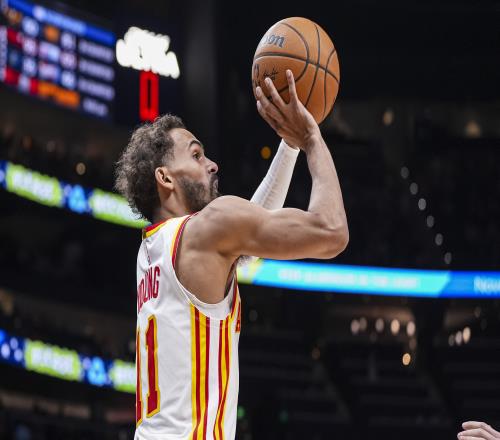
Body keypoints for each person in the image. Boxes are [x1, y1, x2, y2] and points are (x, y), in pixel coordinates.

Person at [115, 70, 348, 440]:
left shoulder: (153, 251)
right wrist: (311, 139)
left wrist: (288, 147)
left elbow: (245, 234)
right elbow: (331, 232)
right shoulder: (206, 229)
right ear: (165, 178)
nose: (212, 164)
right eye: (196, 155)